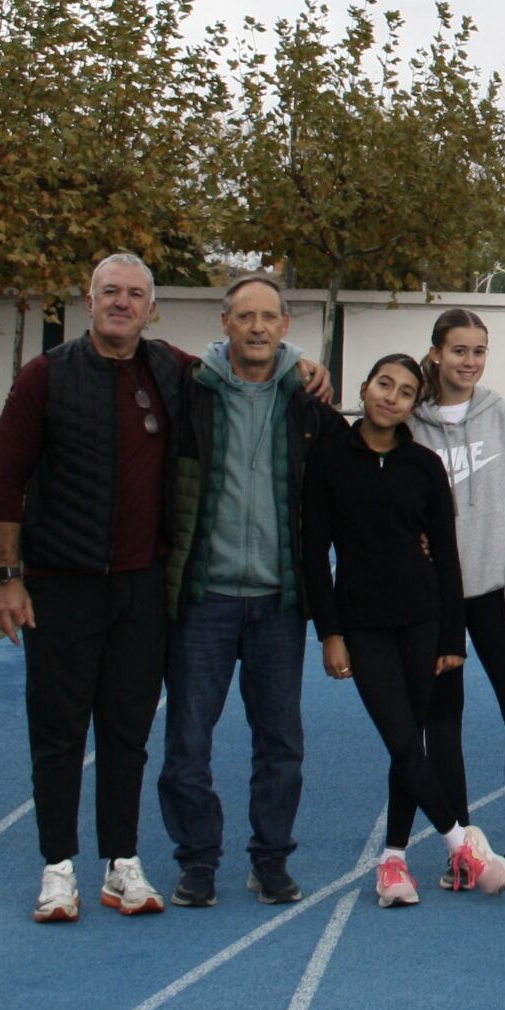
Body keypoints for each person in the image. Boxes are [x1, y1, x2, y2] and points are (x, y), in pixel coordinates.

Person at [0, 254, 193, 922]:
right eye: (111, 291)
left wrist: (300, 362)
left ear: (151, 308)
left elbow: (245, 361)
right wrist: (8, 578)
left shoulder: (170, 369)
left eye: (134, 294)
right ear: (89, 300)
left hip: (141, 587)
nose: (122, 302)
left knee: (128, 731)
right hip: (61, 584)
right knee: (59, 733)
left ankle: (121, 862)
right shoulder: (45, 376)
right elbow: (6, 480)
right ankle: (57, 867)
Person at [158, 271, 346, 909]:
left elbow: (363, 470)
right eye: (245, 317)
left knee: (281, 745)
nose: (258, 328)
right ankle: (197, 859)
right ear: (226, 324)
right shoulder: (191, 391)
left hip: (278, 603)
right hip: (204, 598)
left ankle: (270, 859)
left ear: (286, 326)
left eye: (269, 317)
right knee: (188, 742)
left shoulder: (308, 401)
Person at [305, 353, 505, 903]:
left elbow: (446, 555)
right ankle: (461, 843)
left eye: (403, 392)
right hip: (362, 624)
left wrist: (452, 638)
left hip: (423, 620)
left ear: (413, 405)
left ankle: (393, 861)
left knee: (409, 745)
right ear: (364, 386)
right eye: (383, 384)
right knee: (400, 739)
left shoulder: (423, 465)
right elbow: (312, 553)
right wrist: (329, 632)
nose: (390, 397)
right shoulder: (328, 459)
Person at [407, 309, 505, 891]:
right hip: (434, 599)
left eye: (479, 351)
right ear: (436, 353)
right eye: (459, 350)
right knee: (442, 723)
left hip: (497, 593)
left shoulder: (503, 417)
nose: (469, 361)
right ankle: (463, 853)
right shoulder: (410, 422)